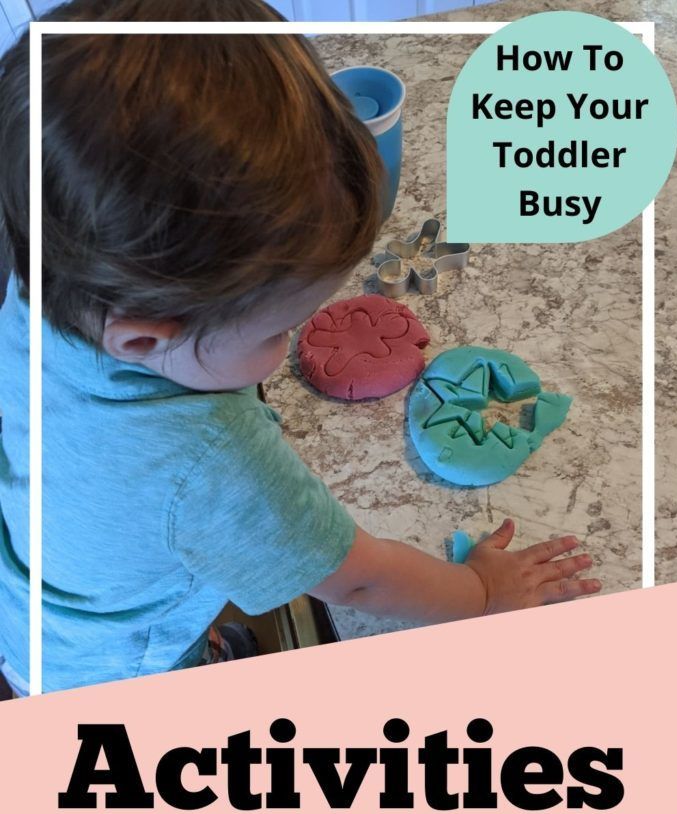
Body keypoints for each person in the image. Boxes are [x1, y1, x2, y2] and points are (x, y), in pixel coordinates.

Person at [0, 0, 600, 695]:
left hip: (39, 612)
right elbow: (360, 576)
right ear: (142, 337)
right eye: (274, 332)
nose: (288, 347)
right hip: (112, 672)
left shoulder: (48, 279)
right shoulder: (212, 460)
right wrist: (481, 594)